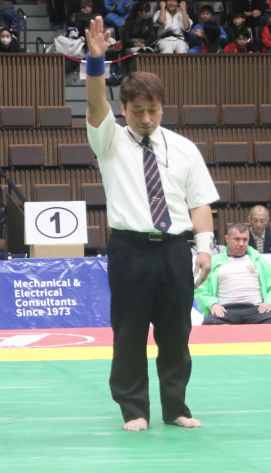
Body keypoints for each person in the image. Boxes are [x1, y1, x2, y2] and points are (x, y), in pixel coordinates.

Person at [85, 16, 218, 431]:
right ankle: (134, 409)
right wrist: (96, 61)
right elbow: (95, 103)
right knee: (129, 333)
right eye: (138, 111)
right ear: (124, 109)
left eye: (153, 110)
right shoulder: (108, 140)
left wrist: (205, 249)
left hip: (175, 250)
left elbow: (199, 202)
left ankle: (176, 407)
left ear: (163, 107)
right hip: (130, 250)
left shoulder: (184, 148)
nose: (146, 118)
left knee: (177, 333)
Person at [195, 223, 271, 325]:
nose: (241, 243)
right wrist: (212, 304)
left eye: (245, 239)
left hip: (256, 309)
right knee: (210, 324)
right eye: (237, 239)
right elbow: (200, 289)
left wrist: (269, 303)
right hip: (224, 309)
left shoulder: (259, 261)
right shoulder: (213, 262)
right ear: (227, 239)